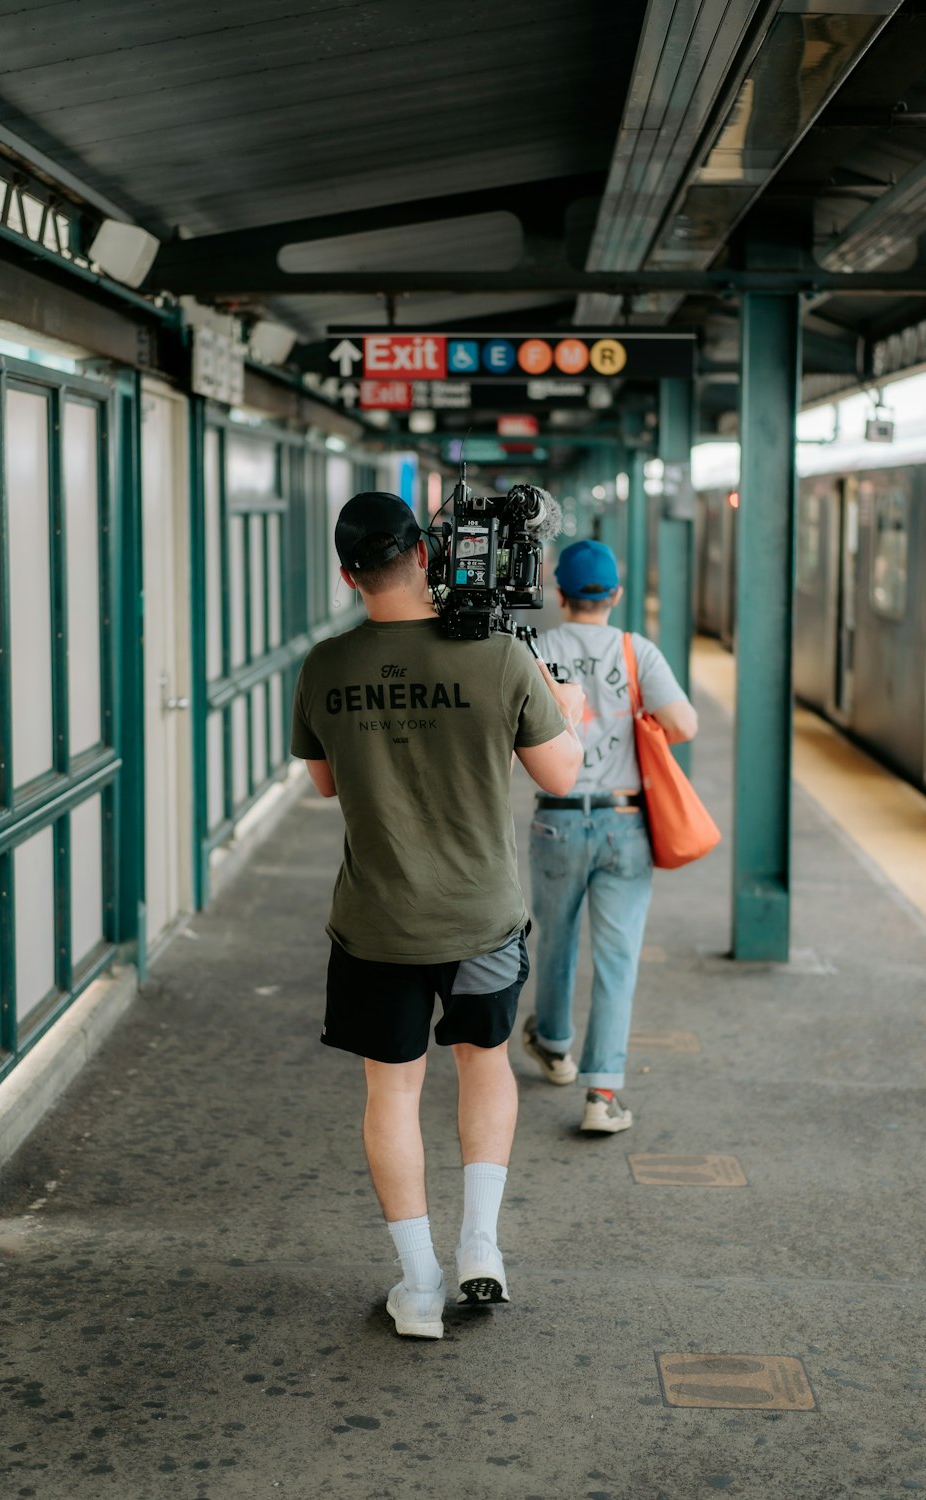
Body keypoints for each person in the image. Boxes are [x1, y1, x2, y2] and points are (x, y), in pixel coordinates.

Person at [290, 491, 585, 1340]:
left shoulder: (326, 666)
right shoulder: (499, 658)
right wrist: (562, 700)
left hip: (377, 922)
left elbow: (327, 784)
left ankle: (418, 1287)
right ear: (426, 555)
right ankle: (480, 1248)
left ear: (348, 575)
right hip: (482, 918)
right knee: (484, 1063)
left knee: (393, 1090)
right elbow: (560, 774)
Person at [522, 539, 698, 1133]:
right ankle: (602, 1096)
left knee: (555, 941)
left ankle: (554, 1045)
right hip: (626, 824)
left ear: (559, 593)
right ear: (616, 594)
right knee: (618, 958)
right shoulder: (635, 650)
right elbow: (685, 723)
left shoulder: (539, 649)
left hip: (558, 817)